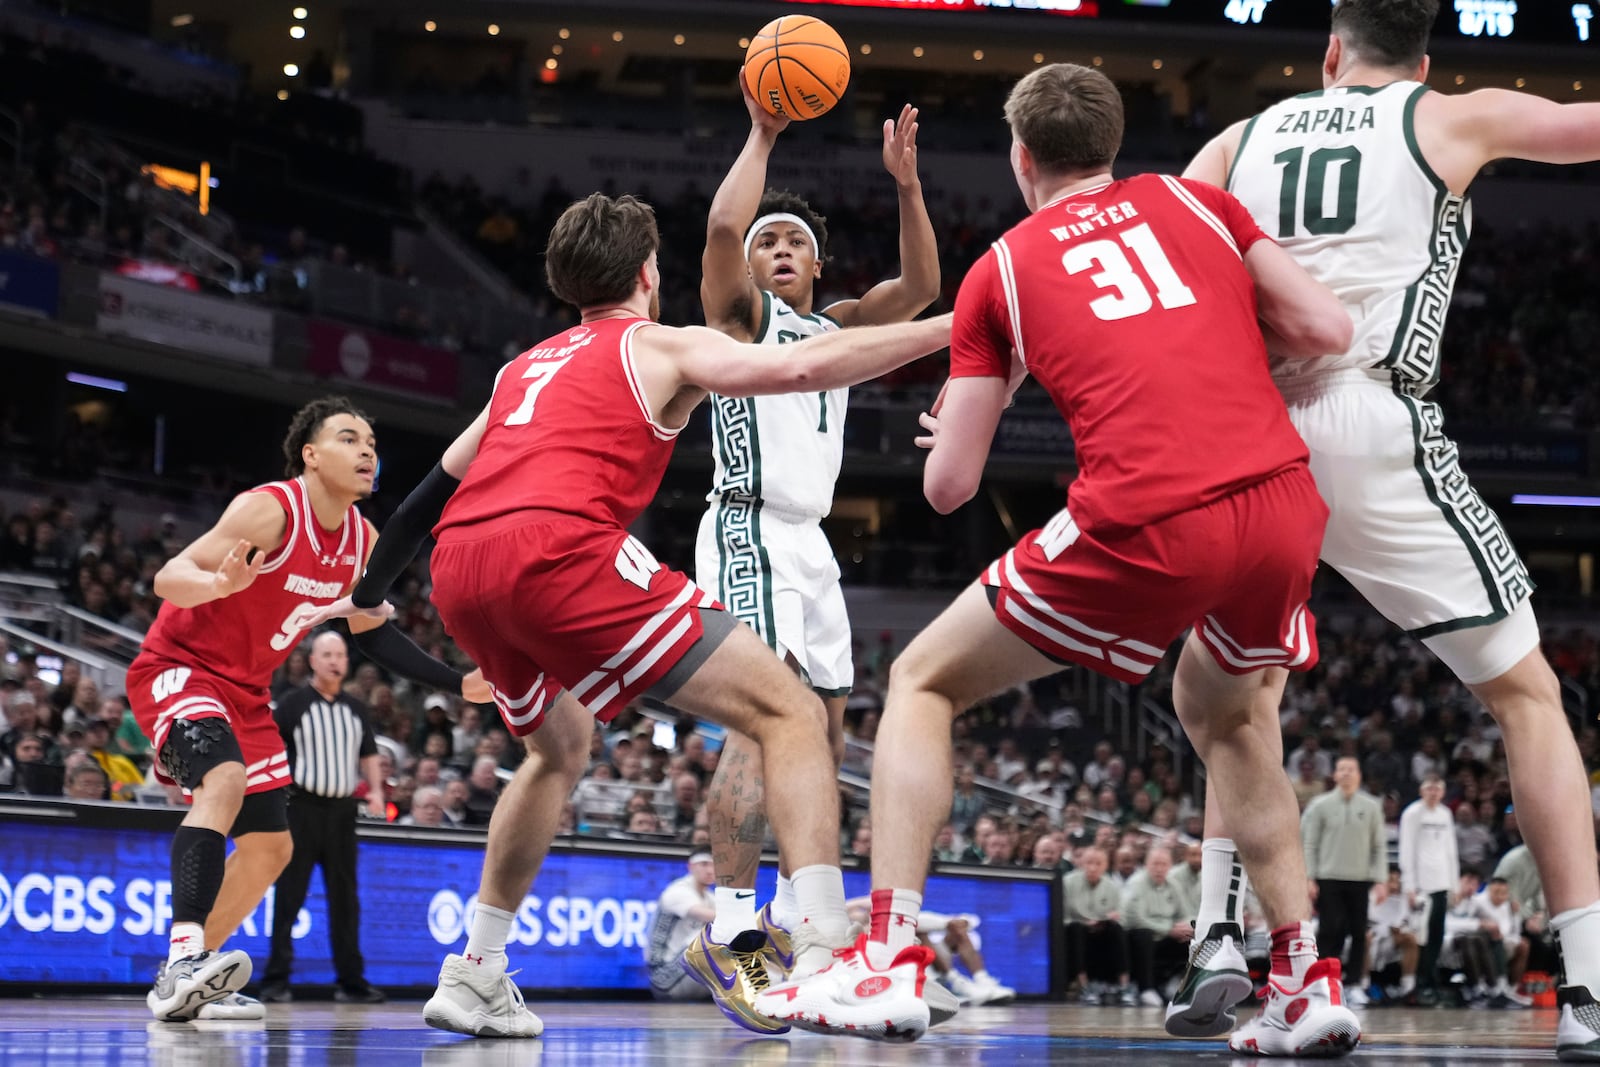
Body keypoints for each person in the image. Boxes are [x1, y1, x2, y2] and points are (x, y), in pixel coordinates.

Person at [753, 62, 1357, 1052]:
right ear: (1110, 146)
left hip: (1151, 511)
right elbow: (1327, 327)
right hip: (1282, 500)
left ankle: (891, 954)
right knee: (1232, 714)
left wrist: (960, 401)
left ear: (1019, 156)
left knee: (921, 680)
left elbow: (950, 487)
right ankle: (1304, 981)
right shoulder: (1194, 201)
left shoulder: (1004, 266)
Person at [301, 192, 952, 1039]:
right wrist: (955, 329)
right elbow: (799, 369)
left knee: (555, 749)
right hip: (562, 549)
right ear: (650, 273)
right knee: (787, 709)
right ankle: (824, 961)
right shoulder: (660, 343)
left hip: (462, 562)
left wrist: (368, 591)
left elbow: (430, 493)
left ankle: (476, 969)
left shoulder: (520, 369)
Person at [1172, 2, 1600, 1056]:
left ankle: (1216, 937)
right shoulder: (1444, 118)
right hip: (1367, 414)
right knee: (1525, 692)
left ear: (1327, 54)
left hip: (1245, 428)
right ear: (1422, 58)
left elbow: (1163, 271)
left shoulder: (1238, 138)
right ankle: (1589, 987)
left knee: (1241, 694)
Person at [693, 69, 939, 998]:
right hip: (749, 530)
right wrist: (761, 135)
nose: (782, 247)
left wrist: (908, 188)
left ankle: (802, 919)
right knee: (765, 727)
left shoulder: (833, 327)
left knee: (824, 734)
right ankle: (728, 923)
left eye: (797, 238)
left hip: (813, 546)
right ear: (752, 267)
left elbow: (920, 284)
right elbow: (721, 232)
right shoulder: (739, 321)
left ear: (819, 265)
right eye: (771, 240)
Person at [127, 396, 488, 1022]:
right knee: (226, 782)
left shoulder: (362, 542)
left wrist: (457, 684)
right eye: (349, 439)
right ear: (311, 455)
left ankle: (189, 982)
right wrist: (217, 585)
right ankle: (184, 956)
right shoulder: (268, 510)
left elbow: (370, 630)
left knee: (270, 846)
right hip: (179, 668)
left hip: (246, 693)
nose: (367, 451)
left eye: (372, 442)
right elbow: (168, 576)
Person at [260, 630, 389, 1005]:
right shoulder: (292, 703)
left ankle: (351, 982)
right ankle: (275, 980)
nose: (335, 660)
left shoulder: (356, 708)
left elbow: (368, 753)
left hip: (342, 812)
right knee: (289, 896)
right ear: (312, 661)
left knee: (346, 900)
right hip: (301, 809)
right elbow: (272, 745)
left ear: (347, 662)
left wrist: (377, 790)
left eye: (340, 655)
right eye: (327, 654)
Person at [1298, 755, 1387, 1008]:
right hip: (1328, 877)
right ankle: (1325, 982)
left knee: (1360, 932)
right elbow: (1309, 843)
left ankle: (1355, 984)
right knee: (1330, 929)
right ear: (1334, 775)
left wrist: (1380, 879)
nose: (1347, 773)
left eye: (1352, 769)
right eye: (1342, 769)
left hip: (1360, 878)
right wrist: (1309, 877)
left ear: (1359, 775)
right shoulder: (1319, 805)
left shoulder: (1371, 806)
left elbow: (1378, 845)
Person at [1400, 773, 1460, 1002]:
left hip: (1442, 883)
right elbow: (1407, 849)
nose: (1433, 793)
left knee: (1437, 934)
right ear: (1422, 791)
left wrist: (1453, 885)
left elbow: (1451, 851)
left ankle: (1430, 979)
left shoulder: (1445, 814)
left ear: (1443, 792)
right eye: (1429, 789)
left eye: (1437, 789)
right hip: (1421, 886)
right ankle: (1418, 982)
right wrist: (1409, 886)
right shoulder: (1412, 814)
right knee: (1421, 937)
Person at [1122, 846, 1195, 1007]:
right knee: (1144, 934)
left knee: (1193, 938)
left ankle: (1180, 984)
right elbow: (1137, 919)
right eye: (1155, 864)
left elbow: (1187, 913)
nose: (1159, 868)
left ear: (1170, 866)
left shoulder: (1173, 885)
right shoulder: (1136, 883)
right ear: (1146, 865)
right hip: (1139, 937)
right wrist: (1169, 929)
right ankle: (1145, 989)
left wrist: (1185, 927)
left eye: (1163, 864)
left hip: (1167, 936)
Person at [645, 853, 717, 1002]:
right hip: (664, 978)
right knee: (713, 936)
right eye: (704, 864)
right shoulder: (677, 891)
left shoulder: (710, 897)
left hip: (687, 976)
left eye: (714, 864)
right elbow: (712, 916)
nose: (710, 870)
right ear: (690, 866)